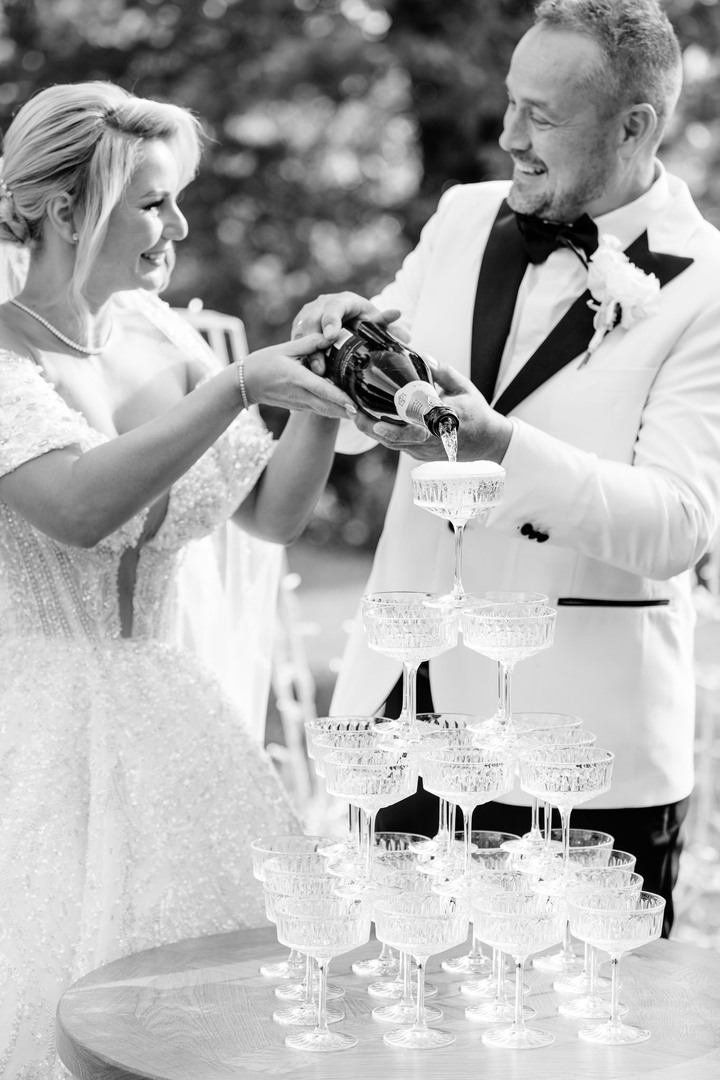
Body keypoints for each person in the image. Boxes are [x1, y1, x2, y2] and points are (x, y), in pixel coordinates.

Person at [294, 0, 720, 936]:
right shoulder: (463, 214)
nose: (507, 135)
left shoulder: (706, 284)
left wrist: (500, 445)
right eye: (509, 102)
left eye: (542, 116)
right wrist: (344, 355)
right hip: (404, 722)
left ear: (635, 127)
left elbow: (677, 527)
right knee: (396, 1029)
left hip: (578, 754)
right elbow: (381, 420)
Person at [0, 82, 357, 1078]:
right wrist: (241, 383)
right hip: (30, 729)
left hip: (175, 715)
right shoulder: (1, 353)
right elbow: (75, 506)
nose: (179, 224)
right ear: (64, 208)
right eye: (153, 201)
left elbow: (273, 514)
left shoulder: (166, 337)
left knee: (214, 1022)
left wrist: (315, 393)